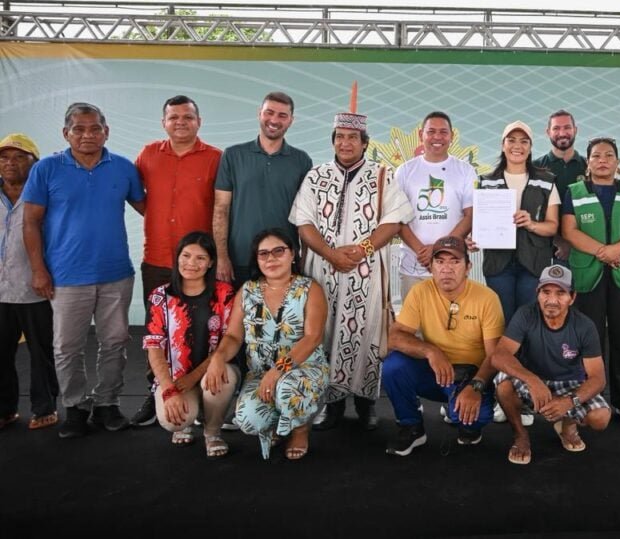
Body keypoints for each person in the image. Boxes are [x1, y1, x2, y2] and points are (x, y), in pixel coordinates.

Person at [22, 102, 145, 438]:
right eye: (79, 129)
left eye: (95, 128)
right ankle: (75, 406)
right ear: (66, 133)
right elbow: (30, 222)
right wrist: (38, 270)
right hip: (65, 275)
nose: (87, 135)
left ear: (106, 132)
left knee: (115, 342)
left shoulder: (123, 168)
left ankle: (107, 403)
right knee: (66, 346)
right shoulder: (46, 169)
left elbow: (150, 210)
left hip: (116, 273)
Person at [291, 104, 413, 431]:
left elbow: (394, 221)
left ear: (364, 142)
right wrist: (330, 254)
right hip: (323, 270)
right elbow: (303, 222)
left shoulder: (382, 175)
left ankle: (365, 403)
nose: (345, 143)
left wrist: (363, 249)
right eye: (340, 137)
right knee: (325, 333)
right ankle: (330, 405)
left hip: (367, 272)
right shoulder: (316, 176)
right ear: (333, 140)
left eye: (353, 137)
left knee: (367, 331)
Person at [131, 95, 222, 428]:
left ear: (199, 122)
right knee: (158, 332)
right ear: (163, 122)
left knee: (202, 329)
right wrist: (156, 216)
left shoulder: (215, 158)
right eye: (174, 117)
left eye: (187, 117)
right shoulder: (148, 154)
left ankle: (202, 391)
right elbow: (137, 197)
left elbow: (223, 207)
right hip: (157, 259)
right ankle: (156, 388)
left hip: (199, 262)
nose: (180, 122)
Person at [206, 228, 329, 460]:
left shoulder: (310, 289)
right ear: (257, 260)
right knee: (247, 420)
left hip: (303, 368)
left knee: (287, 389)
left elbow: (313, 338)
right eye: (263, 254)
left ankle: (300, 428)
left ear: (292, 254)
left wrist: (278, 371)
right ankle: (278, 423)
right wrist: (218, 358)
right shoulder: (247, 291)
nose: (271, 258)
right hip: (261, 372)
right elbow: (233, 337)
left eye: (278, 251)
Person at [381, 236, 505, 456]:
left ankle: (466, 421)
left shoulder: (487, 298)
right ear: (431, 267)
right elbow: (394, 337)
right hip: (435, 371)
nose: (446, 269)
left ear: (468, 267)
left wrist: (476, 387)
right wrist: (431, 351)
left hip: (470, 375)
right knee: (393, 366)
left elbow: (494, 355)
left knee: (474, 418)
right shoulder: (420, 292)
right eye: (439, 262)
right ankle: (411, 426)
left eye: (455, 261)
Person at [561, 136, 620, 423]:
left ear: (617, 163)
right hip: (588, 273)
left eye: (609, 155)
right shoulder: (574, 191)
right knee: (590, 339)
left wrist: (616, 251)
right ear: (587, 163)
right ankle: (590, 399)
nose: (602, 160)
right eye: (596, 156)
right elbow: (569, 231)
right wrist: (604, 252)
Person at [492, 265, 611, 464]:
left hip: (569, 383)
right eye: (546, 292)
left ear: (572, 297)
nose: (552, 300)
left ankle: (567, 426)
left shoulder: (584, 325)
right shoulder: (525, 314)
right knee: (503, 385)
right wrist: (532, 380)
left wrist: (569, 401)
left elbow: (598, 378)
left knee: (600, 418)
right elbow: (499, 356)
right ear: (537, 293)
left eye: (560, 293)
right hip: (532, 379)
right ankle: (520, 436)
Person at [142, 232, 237, 456]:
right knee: (173, 421)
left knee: (224, 377)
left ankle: (212, 432)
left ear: (211, 262)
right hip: (175, 377)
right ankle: (188, 420)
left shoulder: (224, 293)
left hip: (209, 371)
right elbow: (154, 348)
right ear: (177, 257)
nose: (191, 263)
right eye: (186, 256)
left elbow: (229, 340)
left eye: (200, 258)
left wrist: (194, 377)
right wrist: (168, 389)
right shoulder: (160, 296)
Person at [213, 91, 312, 285]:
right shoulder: (233, 155)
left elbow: (307, 215)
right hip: (240, 260)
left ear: (291, 120)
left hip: (284, 261)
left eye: (282, 115)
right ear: (260, 113)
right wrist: (222, 258)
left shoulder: (302, 160)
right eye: (269, 112)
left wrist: (305, 259)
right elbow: (221, 209)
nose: (274, 120)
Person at [0, 133, 59, 431]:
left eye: (19, 157)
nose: (10, 163)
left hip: (36, 287)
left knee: (41, 352)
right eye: (4, 157)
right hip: (1, 290)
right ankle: (5, 410)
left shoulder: (46, 195)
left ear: (35, 163)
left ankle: (45, 408)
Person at [474, 121, 560, 323]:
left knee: (528, 320)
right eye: (511, 140)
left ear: (530, 147)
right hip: (498, 265)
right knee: (500, 320)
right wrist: (475, 238)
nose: (517, 146)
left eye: (524, 141)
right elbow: (479, 223)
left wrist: (532, 224)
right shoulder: (486, 182)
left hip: (533, 263)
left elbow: (553, 226)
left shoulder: (546, 181)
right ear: (502, 145)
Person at [395, 111, 475, 299]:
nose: (437, 137)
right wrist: (422, 251)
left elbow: (470, 215)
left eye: (443, 132)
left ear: (451, 136)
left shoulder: (465, 171)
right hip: (413, 267)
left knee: (453, 318)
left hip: (452, 269)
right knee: (413, 319)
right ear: (420, 134)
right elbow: (398, 219)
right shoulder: (404, 171)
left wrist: (440, 248)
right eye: (431, 132)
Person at [535, 110, 587, 263]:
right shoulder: (536, 168)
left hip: (585, 250)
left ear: (575, 130)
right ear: (548, 132)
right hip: (545, 251)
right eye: (556, 128)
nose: (562, 133)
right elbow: (531, 213)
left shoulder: (589, 167)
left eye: (567, 127)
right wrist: (558, 241)